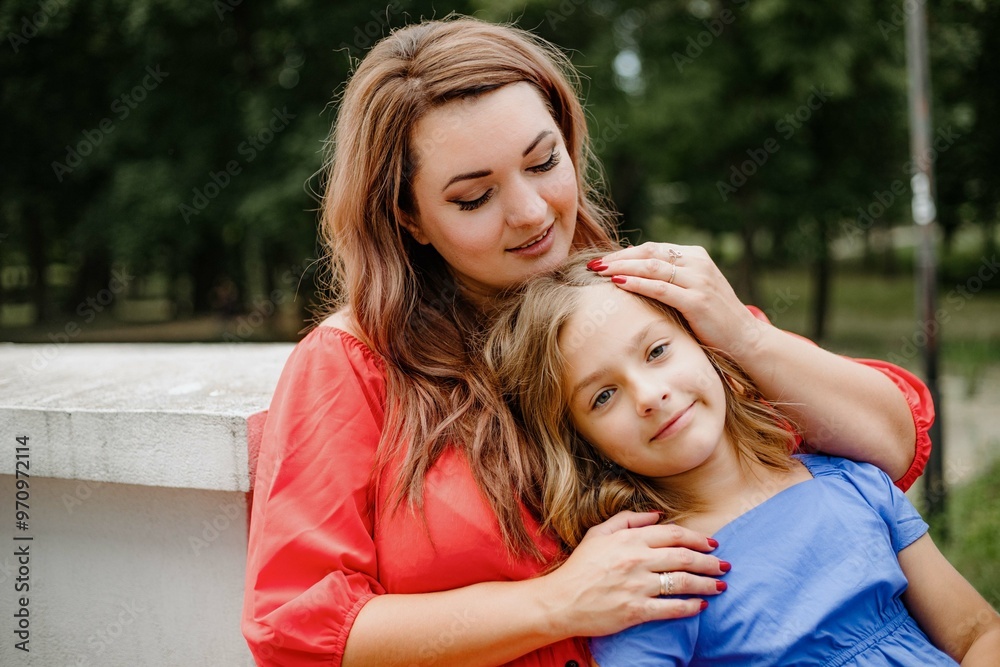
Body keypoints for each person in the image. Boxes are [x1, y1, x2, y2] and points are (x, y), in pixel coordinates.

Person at [241, 15, 934, 667]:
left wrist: (744, 335)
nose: (532, 212)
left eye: (543, 162)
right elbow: (300, 625)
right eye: (473, 199)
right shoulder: (356, 364)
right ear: (410, 218)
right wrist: (555, 603)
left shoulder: (634, 299)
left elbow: (892, 444)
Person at [484, 249, 1000, 666]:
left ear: (711, 348)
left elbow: (977, 632)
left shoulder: (853, 481)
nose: (648, 394)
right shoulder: (659, 575)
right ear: (583, 445)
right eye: (602, 396)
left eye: (657, 351)